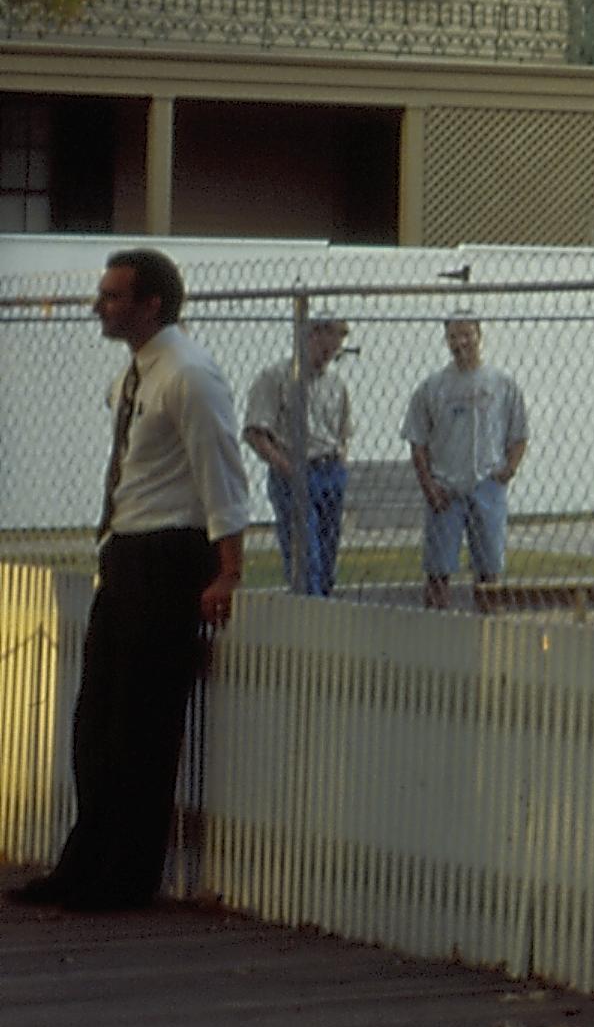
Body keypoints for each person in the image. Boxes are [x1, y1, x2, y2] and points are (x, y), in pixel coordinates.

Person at [12, 249, 250, 913]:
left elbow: (222, 478)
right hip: (126, 551)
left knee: (142, 724)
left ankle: (127, 876)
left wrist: (227, 571)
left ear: (152, 304)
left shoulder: (190, 377)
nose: (100, 306)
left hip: (170, 554)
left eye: (113, 296)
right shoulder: (135, 378)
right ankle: (84, 863)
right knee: (97, 723)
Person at [403, 313, 527, 611]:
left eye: (466, 335)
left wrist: (509, 468)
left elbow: (519, 433)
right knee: (438, 572)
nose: (461, 343)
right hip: (446, 489)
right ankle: (437, 634)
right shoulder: (432, 387)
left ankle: (486, 635)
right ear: (446, 340)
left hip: (487, 486)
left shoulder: (501, 384)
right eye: (454, 337)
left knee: (488, 572)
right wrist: (429, 486)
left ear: (479, 335)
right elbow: (417, 441)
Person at [242, 313, 354, 597]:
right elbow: (256, 432)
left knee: (328, 557)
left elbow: (343, 430)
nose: (329, 351)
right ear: (309, 337)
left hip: (329, 468)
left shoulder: (336, 384)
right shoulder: (276, 377)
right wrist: (285, 466)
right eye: (325, 340)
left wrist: (341, 459)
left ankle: (324, 611)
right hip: (293, 468)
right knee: (306, 560)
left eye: (336, 343)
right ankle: (308, 613)